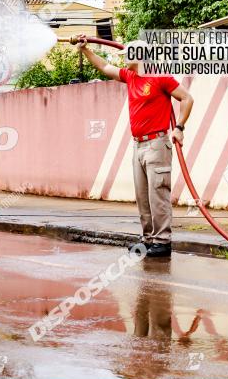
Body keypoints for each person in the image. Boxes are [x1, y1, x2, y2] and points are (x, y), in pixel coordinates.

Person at [76, 34, 193, 257]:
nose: (123, 59)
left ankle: (162, 241)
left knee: (157, 194)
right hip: (138, 145)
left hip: (157, 144)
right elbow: (105, 67)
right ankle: (148, 238)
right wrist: (85, 50)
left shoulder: (160, 78)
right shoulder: (130, 77)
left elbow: (187, 98)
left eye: (126, 56)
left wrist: (179, 127)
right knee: (143, 195)